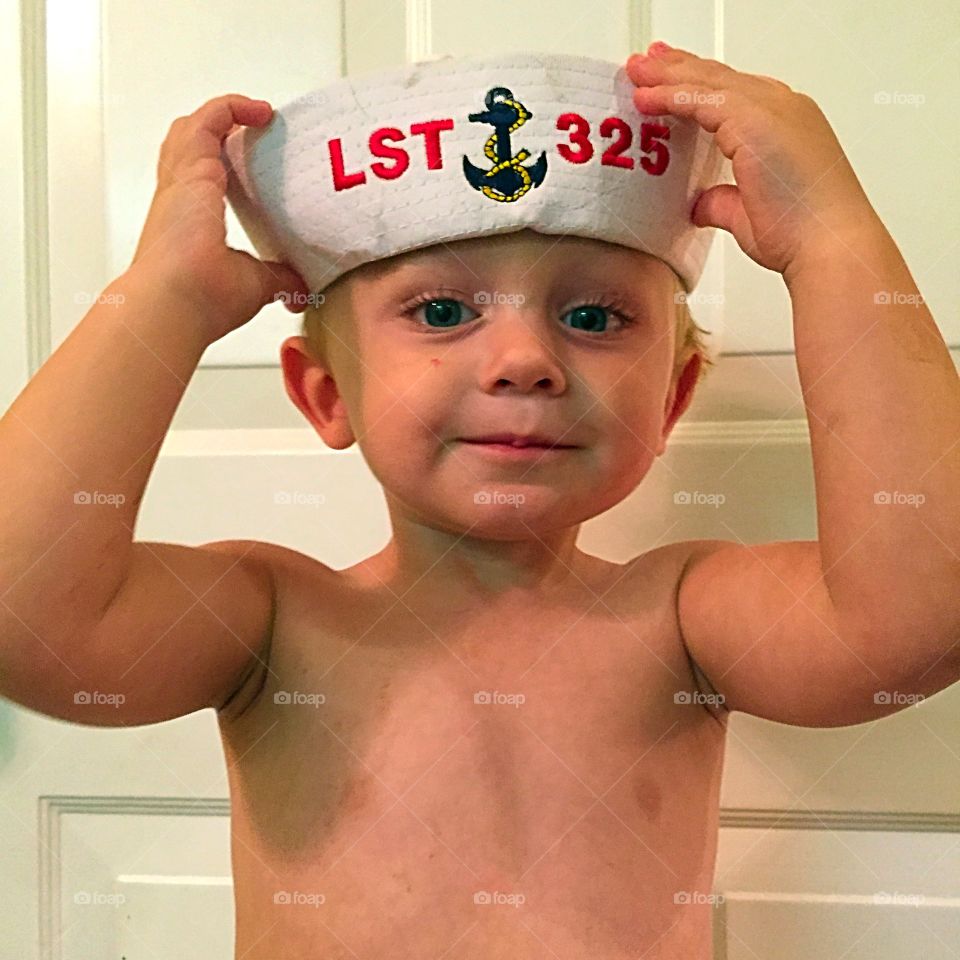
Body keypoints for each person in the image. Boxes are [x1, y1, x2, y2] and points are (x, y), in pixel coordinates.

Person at [1, 40, 957, 960]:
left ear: (669, 401)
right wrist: (164, 296)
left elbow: (916, 621)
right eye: (443, 311)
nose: (527, 362)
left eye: (593, 317)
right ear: (328, 396)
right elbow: (26, 621)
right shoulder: (274, 620)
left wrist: (833, 243)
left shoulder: (683, 616)